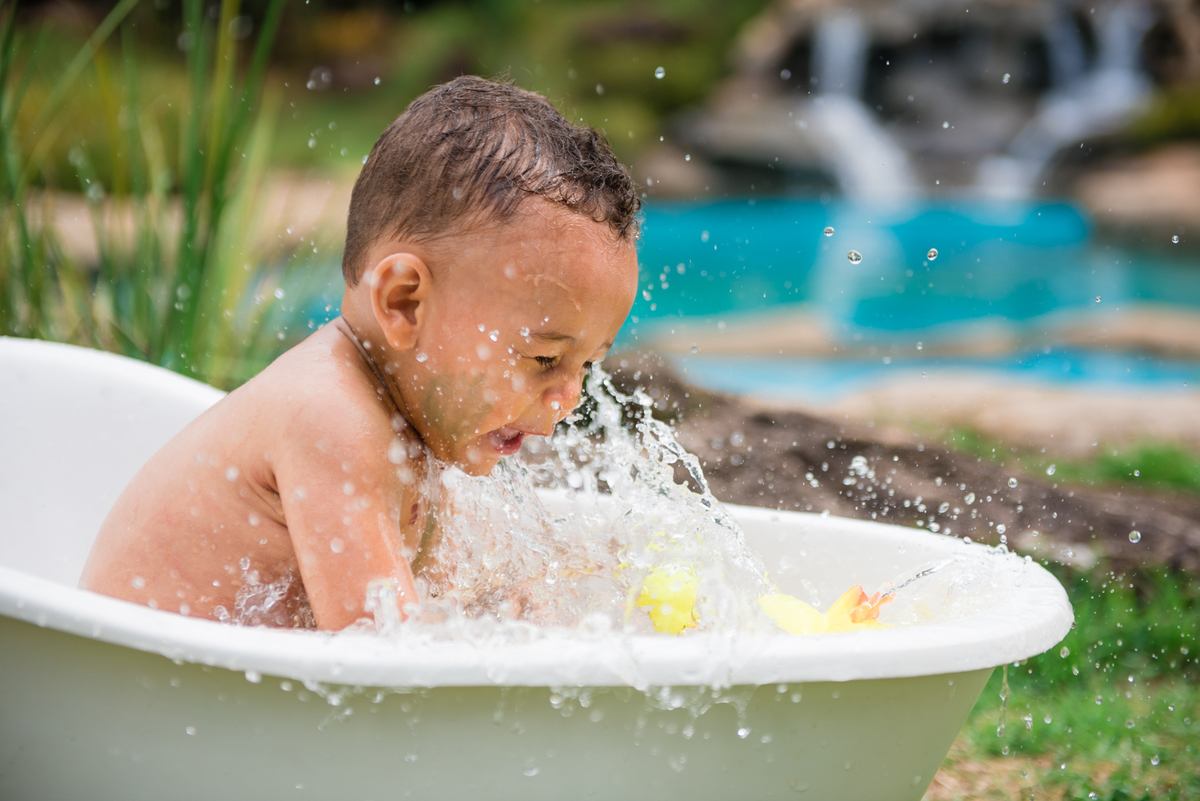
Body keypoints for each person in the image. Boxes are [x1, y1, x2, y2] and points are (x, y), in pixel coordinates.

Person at [80, 76, 642, 630]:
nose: (569, 398)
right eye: (545, 359)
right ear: (404, 303)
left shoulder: (418, 425)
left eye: (588, 365)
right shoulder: (331, 418)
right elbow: (384, 664)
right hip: (127, 685)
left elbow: (454, 598)